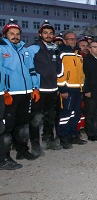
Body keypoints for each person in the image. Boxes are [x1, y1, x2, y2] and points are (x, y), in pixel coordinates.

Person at [0, 19, 41, 163]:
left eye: (17, 33)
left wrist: (35, 87)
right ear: (5, 34)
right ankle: (4, 158)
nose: (15, 36)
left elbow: (32, 70)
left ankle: (22, 150)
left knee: (22, 123)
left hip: (26, 93)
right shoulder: (2, 48)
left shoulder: (24, 50)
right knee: (6, 126)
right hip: (9, 94)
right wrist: (3, 91)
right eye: (11, 33)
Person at [27, 21, 62, 155]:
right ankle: (35, 145)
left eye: (50, 33)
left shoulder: (55, 49)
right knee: (36, 118)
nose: (48, 35)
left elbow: (58, 69)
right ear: (40, 34)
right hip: (39, 90)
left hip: (52, 89)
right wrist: (34, 87)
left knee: (50, 117)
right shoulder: (33, 49)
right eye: (45, 33)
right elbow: (29, 68)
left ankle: (48, 140)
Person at [57, 31, 86, 148]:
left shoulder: (78, 54)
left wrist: (83, 87)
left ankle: (74, 135)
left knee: (76, 114)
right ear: (64, 41)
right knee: (65, 115)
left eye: (74, 39)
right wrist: (63, 89)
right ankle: (64, 137)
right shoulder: (61, 53)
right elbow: (59, 73)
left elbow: (82, 74)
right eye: (70, 39)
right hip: (67, 89)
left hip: (78, 89)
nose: (73, 41)